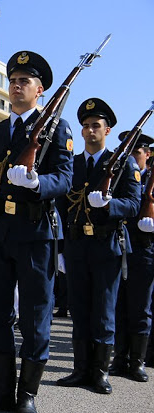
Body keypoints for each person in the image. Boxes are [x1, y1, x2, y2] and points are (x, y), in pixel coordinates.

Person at [0, 51, 73, 413]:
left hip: (35, 234)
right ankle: (0, 392)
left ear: (40, 89)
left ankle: (27, 395)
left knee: (34, 314)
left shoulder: (57, 130)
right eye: (13, 79)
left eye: (24, 81)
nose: (16, 85)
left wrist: (37, 182)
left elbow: (65, 179)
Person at [57, 98, 140, 395]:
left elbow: (133, 204)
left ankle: (100, 372)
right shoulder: (72, 164)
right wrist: (61, 249)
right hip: (78, 245)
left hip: (107, 245)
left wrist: (110, 203)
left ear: (107, 130)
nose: (90, 130)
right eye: (86, 126)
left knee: (104, 311)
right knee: (79, 308)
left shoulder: (122, 164)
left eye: (96, 126)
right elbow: (61, 205)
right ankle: (80, 369)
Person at [108, 133, 154, 383]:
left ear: (147, 154)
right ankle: (119, 359)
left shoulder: (151, 180)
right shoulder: (121, 177)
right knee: (120, 305)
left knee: (140, 306)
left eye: (137, 153)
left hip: (144, 248)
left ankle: (137, 361)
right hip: (120, 246)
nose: (133, 158)